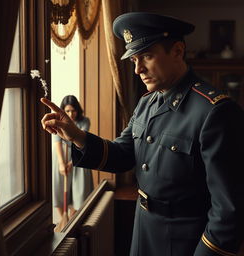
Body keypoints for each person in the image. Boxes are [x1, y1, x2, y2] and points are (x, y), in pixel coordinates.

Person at [41, 12, 244, 256]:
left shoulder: (215, 111)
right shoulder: (147, 102)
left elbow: (229, 210)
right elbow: (123, 154)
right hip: (143, 229)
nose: (138, 69)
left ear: (177, 51)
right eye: (134, 59)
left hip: (187, 240)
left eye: (146, 56)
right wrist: (76, 135)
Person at [52, 95, 93, 221]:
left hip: (79, 156)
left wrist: (72, 162)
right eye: (67, 110)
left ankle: (73, 220)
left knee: (80, 191)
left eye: (73, 110)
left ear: (78, 110)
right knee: (59, 189)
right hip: (62, 156)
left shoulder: (84, 121)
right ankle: (64, 221)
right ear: (63, 110)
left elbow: (82, 140)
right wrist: (61, 163)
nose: (71, 113)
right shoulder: (58, 121)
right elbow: (57, 141)